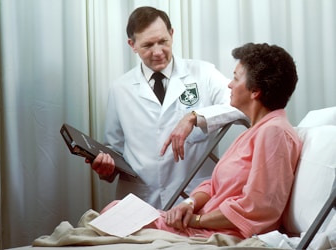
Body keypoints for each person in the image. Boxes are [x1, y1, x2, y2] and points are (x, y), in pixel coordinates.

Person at [101, 42, 302, 239]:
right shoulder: (255, 131)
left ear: (255, 91)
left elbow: (257, 208)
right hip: (199, 224)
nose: (229, 84)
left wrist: (195, 220)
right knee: (116, 210)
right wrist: (188, 204)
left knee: (114, 218)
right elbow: (214, 185)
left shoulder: (274, 132)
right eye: (147, 45)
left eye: (235, 78)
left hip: (217, 232)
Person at [90, 6, 244, 209]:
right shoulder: (120, 89)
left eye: (163, 41)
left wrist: (194, 116)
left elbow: (241, 105)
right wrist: (106, 168)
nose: (157, 52)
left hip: (193, 199)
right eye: (147, 45)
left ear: (172, 34)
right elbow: (115, 149)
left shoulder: (203, 73)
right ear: (132, 45)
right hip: (141, 201)